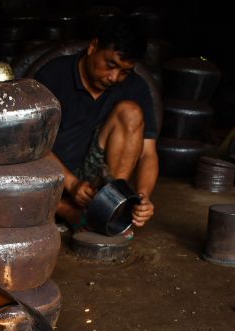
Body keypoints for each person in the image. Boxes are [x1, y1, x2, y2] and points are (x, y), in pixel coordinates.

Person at [34, 16, 159, 232]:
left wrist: (143, 197)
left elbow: (148, 153)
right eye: (110, 65)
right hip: (50, 171)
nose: (114, 77)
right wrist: (71, 184)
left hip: (94, 179)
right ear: (93, 47)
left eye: (124, 71)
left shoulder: (135, 87)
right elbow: (31, 142)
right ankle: (67, 211)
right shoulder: (52, 76)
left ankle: (112, 203)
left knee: (130, 112)